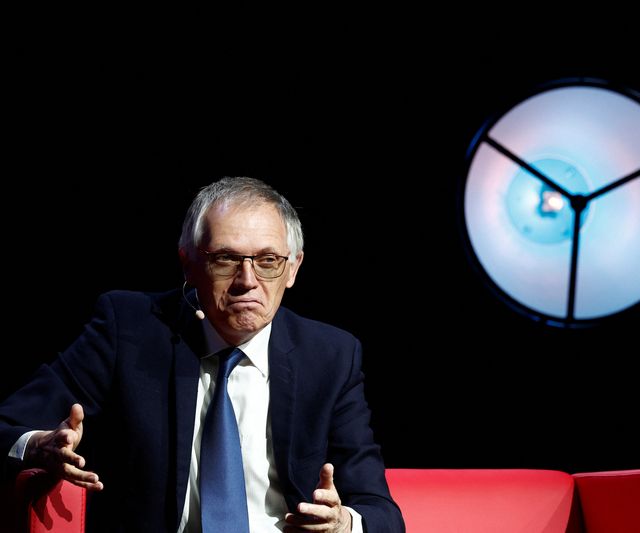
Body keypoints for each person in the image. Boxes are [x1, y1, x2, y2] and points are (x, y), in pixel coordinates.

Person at [0, 177, 404, 533]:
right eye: (226, 259)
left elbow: (380, 511)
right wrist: (39, 446)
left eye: (268, 261)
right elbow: (10, 423)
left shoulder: (330, 356)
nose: (248, 281)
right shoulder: (129, 329)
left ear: (293, 268)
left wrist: (342, 524)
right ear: (188, 263)